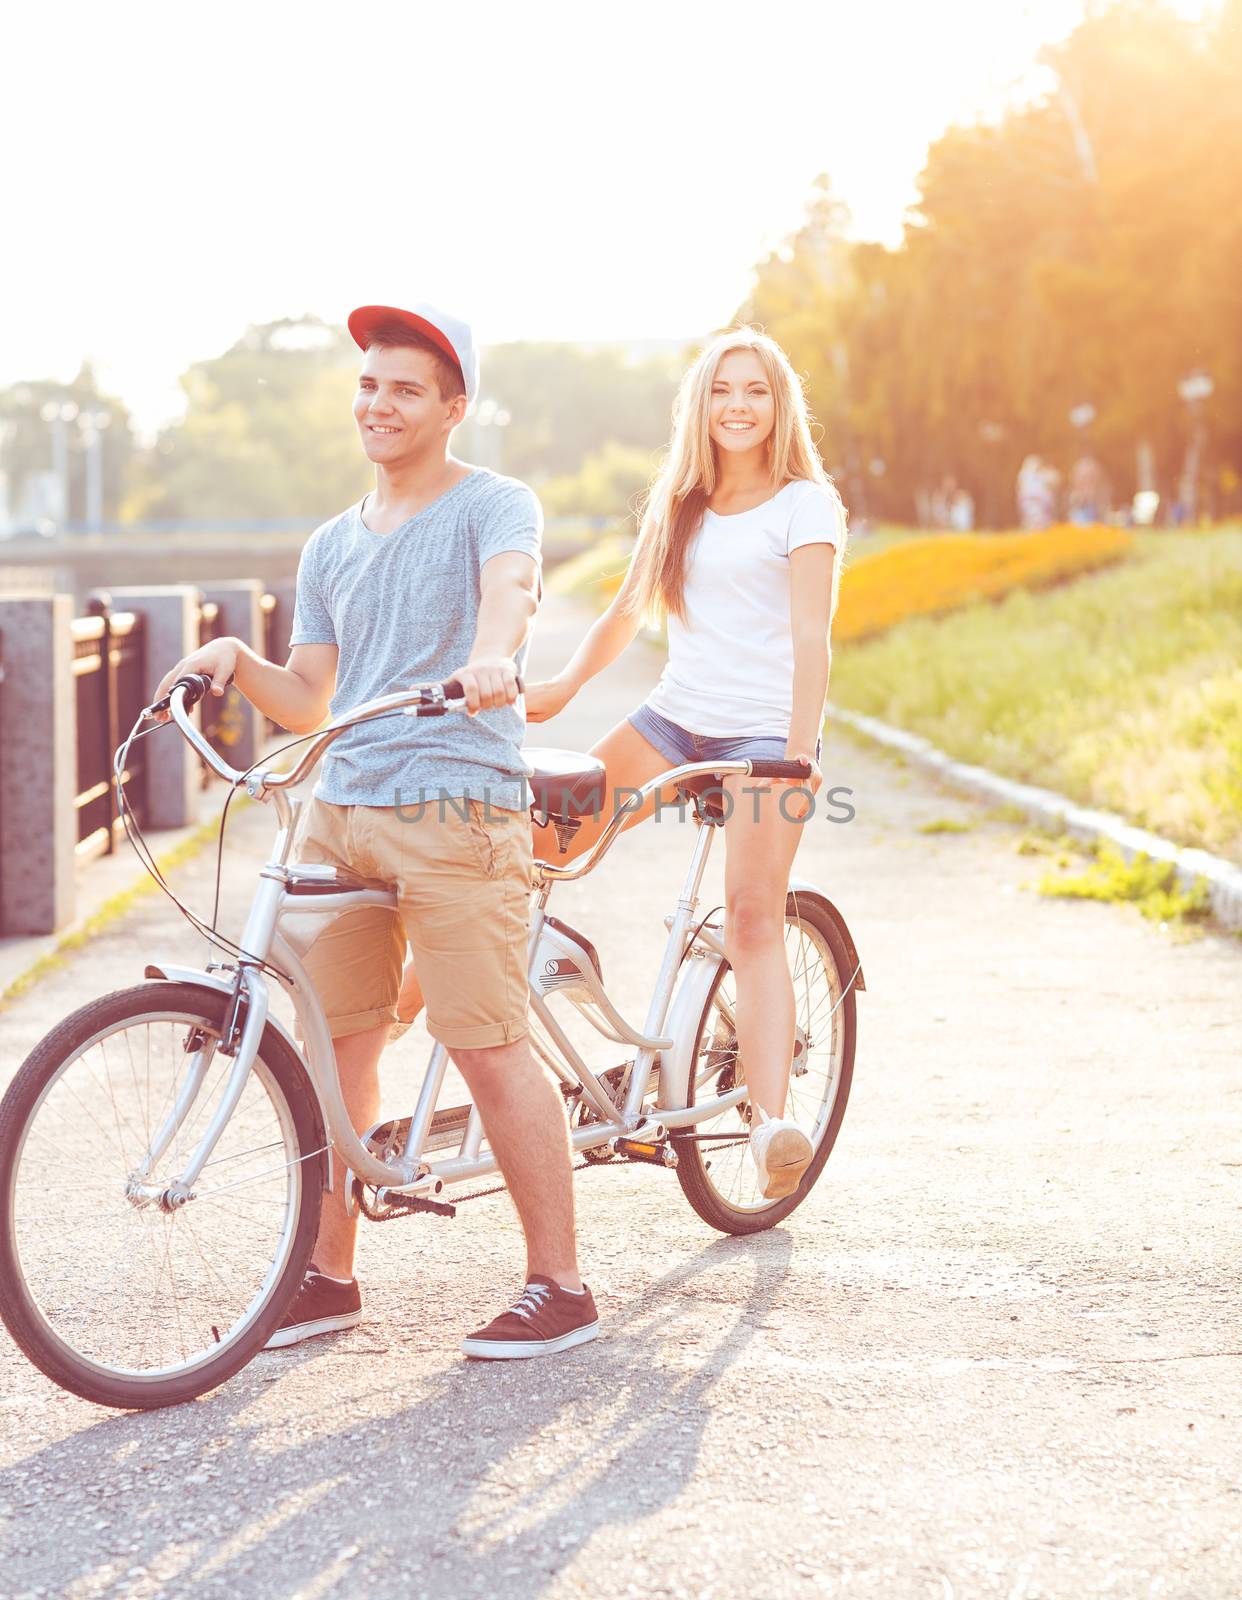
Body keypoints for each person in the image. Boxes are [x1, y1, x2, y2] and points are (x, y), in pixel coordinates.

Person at [154, 301, 598, 1361]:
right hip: (342, 811)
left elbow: (514, 593)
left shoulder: (495, 503)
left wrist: (496, 653)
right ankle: (327, 1275)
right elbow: (310, 695)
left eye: (405, 387)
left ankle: (562, 1284)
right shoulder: (330, 542)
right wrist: (231, 658)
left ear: (453, 405)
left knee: (486, 1044)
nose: (380, 403)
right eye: (368, 384)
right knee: (337, 1051)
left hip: (456, 806)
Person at [528, 326, 845, 1198]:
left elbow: (812, 641)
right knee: (544, 843)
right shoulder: (682, 502)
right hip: (675, 718)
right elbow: (626, 614)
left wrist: (797, 752)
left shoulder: (804, 505)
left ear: (780, 407)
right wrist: (555, 690)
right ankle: (467, 994)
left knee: (750, 917)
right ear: (699, 405)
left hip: (761, 740)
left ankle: (772, 1122)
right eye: (722, 391)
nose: (738, 406)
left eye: (756, 391)